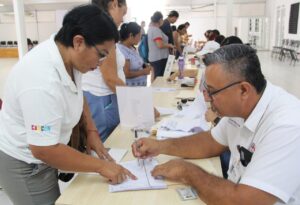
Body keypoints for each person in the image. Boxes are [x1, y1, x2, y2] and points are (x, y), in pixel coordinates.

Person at [0, 5, 135, 205]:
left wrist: (91, 131)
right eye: (102, 54)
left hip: (45, 153)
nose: (102, 62)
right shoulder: (41, 81)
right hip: (26, 163)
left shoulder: (67, 52)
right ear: (79, 42)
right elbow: (43, 149)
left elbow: (77, 92)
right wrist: (100, 166)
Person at [132, 44, 300, 205]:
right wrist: (160, 146)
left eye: (212, 92)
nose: (207, 99)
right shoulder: (242, 107)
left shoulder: (287, 126)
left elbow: (243, 202)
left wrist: (187, 172)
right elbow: (210, 142)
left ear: (243, 90)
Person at [82, 0, 128, 142]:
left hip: (105, 98)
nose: (122, 19)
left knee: (110, 144)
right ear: (114, 4)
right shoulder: (103, 33)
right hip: (102, 100)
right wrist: (136, 101)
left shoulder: (101, 30)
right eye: (123, 13)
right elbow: (110, 78)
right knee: (106, 145)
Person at [117, 22, 151, 86]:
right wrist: (144, 71)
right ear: (131, 35)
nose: (140, 38)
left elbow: (137, 63)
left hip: (139, 87)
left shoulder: (131, 48)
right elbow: (126, 74)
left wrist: (145, 65)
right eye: (139, 35)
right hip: (131, 90)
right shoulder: (122, 50)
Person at [147, 11, 174, 78]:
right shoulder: (156, 30)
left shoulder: (151, 28)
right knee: (159, 79)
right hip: (159, 59)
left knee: (156, 78)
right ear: (160, 19)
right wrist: (169, 45)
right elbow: (160, 45)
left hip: (156, 58)